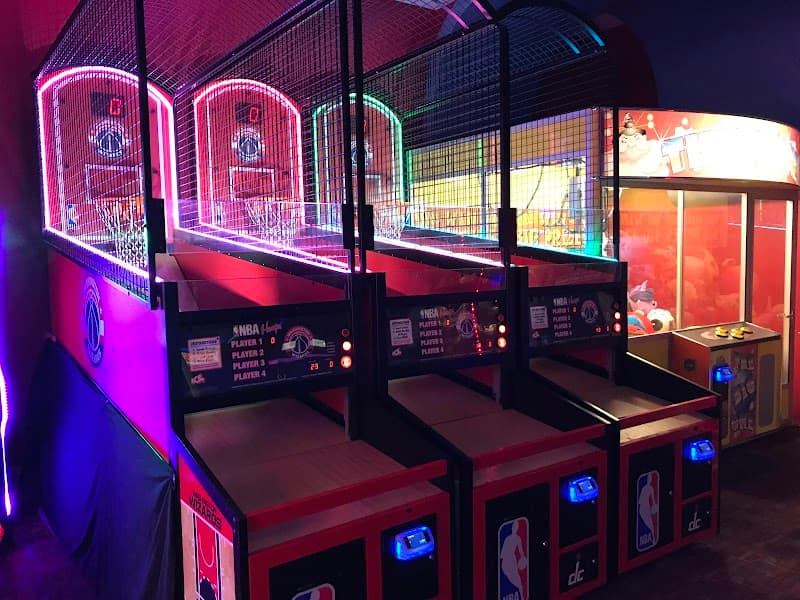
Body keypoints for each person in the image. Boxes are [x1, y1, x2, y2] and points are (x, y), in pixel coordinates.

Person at [500, 520, 528, 593]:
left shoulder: (516, 538)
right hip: (508, 562)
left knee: (518, 582)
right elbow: (502, 555)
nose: (514, 528)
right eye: (513, 526)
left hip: (511, 561)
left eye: (515, 526)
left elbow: (521, 553)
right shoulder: (508, 538)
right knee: (516, 582)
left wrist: (523, 561)